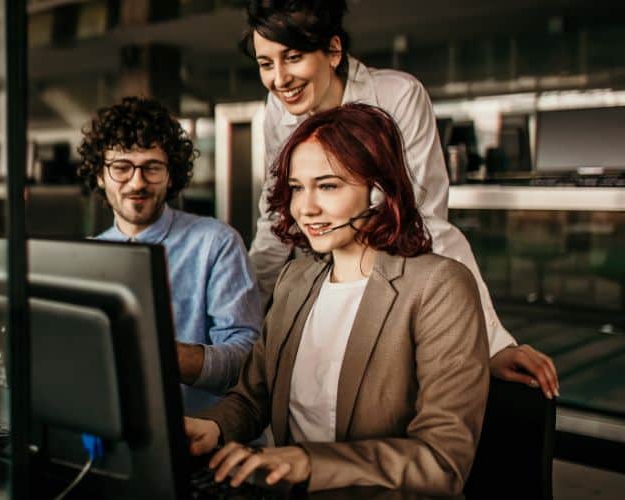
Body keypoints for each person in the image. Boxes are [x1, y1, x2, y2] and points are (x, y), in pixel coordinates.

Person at [241, 0, 558, 399]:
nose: (279, 79)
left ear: (334, 51)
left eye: (293, 57)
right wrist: (245, 315)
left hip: (394, 284)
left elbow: (426, 223)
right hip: (323, 281)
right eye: (265, 63)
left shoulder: (397, 94)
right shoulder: (276, 111)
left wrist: (494, 344)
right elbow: (275, 223)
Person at [186, 103, 489, 495]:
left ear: (379, 193)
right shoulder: (296, 278)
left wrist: (310, 462)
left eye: (328, 186)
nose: (305, 208)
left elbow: (442, 460)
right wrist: (212, 426)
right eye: (297, 188)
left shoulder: (438, 287)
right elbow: (252, 396)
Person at [78, 96, 262, 413]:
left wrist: (160, 354)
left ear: (171, 175)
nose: (137, 182)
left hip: (200, 441)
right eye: (121, 167)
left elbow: (246, 362)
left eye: (152, 167)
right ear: (99, 174)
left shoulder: (216, 243)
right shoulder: (84, 255)